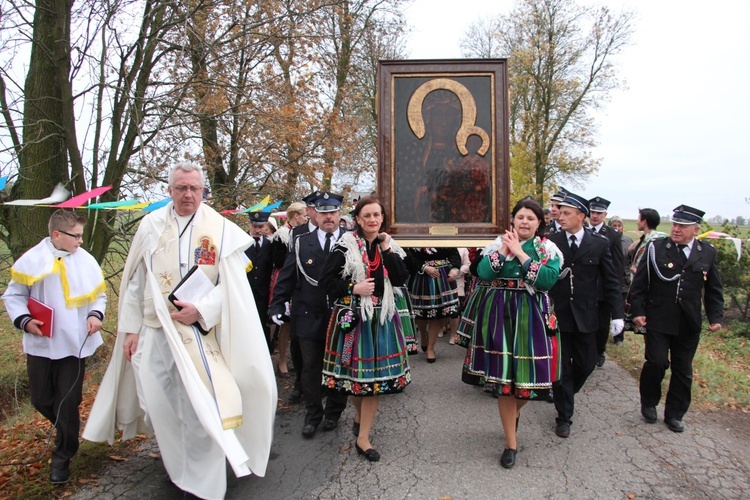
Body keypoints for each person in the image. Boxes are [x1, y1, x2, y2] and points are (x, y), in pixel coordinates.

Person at [83, 163, 277, 499]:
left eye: (194, 189)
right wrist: (130, 330)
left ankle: (205, 482)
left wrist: (202, 309)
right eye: (181, 188)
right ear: (170, 191)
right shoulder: (150, 226)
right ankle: (180, 466)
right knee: (162, 404)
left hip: (200, 335)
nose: (188, 194)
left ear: (204, 192)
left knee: (201, 405)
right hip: (155, 332)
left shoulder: (219, 229)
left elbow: (232, 288)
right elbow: (134, 283)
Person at [2, 210, 106, 484]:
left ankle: (63, 456)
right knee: (41, 399)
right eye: (76, 236)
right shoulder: (32, 260)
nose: (81, 241)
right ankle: (68, 431)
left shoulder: (86, 261)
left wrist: (96, 315)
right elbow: (14, 295)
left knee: (67, 401)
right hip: (41, 343)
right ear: (57, 235)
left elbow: (99, 295)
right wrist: (25, 321)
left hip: (74, 343)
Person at [461, 197, 562, 468]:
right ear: (513, 221)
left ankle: (512, 416)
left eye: (531, 218)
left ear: (540, 222)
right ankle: (511, 443)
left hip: (532, 315)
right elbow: (482, 273)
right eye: (520, 217)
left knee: (529, 378)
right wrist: (505, 251)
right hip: (499, 313)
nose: (525, 222)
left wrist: (520, 253)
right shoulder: (498, 244)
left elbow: (547, 280)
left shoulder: (547, 249)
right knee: (505, 380)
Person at [319, 195, 412, 462]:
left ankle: (363, 438)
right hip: (352, 320)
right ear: (358, 220)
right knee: (354, 379)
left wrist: (387, 249)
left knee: (374, 382)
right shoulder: (344, 247)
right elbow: (325, 282)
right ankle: (360, 417)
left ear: (382, 219)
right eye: (367, 216)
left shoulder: (387, 246)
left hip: (381, 318)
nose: (372, 220)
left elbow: (400, 278)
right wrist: (353, 288)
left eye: (377, 215)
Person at [629, 205, 723, 433]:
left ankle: (675, 414)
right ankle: (649, 402)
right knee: (657, 362)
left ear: (696, 229)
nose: (677, 229)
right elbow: (640, 284)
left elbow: (713, 289)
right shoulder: (657, 248)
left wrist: (715, 316)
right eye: (675, 224)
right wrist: (638, 311)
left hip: (688, 322)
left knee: (683, 370)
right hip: (658, 319)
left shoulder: (707, 252)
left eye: (683, 226)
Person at [269, 192, 349, 438]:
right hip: (308, 312)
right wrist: (277, 303)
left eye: (333, 212)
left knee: (339, 366)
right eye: (323, 212)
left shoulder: (351, 240)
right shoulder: (303, 240)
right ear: (314, 214)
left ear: (339, 214)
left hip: (341, 314)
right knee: (310, 367)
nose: (328, 217)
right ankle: (313, 415)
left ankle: (334, 412)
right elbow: (289, 274)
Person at [547, 192, 624, 438]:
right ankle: (564, 416)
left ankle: (566, 392)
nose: (561, 216)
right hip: (559, 315)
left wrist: (618, 315)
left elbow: (611, 281)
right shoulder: (551, 241)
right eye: (560, 212)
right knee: (562, 368)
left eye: (567, 213)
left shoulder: (599, 244)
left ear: (582, 216)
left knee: (586, 364)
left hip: (587, 316)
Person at [270, 201, 308, 376]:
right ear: (295, 216)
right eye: (304, 215)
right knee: (285, 324)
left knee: (298, 323)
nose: (306, 218)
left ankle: (297, 359)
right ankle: (282, 360)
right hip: (287, 280)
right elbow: (278, 261)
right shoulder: (282, 235)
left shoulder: (305, 233)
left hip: (302, 281)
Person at [406, 246, 461, 362]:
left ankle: (430, 348)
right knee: (420, 314)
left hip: (442, 275)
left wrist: (454, 269)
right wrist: (424, 267)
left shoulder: (443, 230)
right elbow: (408, 255)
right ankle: (423, 334)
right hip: (421, 276)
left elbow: (453, 252)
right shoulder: (413, 232)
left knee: (437, 314)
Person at [587, 197, 624, 365]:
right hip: (586, 284)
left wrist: (613, 288)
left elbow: (616, 265)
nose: (595, 216)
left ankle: (600, 350)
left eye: (599, 213)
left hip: (603, 286)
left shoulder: (613, 236)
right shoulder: (581, 231)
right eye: (593, 212)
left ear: (605, 215)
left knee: (602, 324)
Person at [626, 208, 665, 334]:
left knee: (647, 327)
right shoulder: (645, 238)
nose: (637, 222)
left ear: (645, 221)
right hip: (637, 282)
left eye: (639, 219)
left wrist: (637, 271)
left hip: (647, 288)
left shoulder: (654, 240)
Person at [245, 211, 274, 350]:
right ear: (249, 224)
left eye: (261, 226)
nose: (257, 230)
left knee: (261, 325)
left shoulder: (270, 244)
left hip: (263, 293)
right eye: (255, 226)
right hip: (245, 291)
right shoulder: (241, 242)